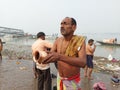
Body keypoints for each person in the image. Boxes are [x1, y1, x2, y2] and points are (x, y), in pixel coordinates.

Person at [42, 17, 86, 90]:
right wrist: (44, 56)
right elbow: (52, 56)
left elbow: (83, 62)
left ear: (73, 27)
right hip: (60, 77)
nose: (62, 26)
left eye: (65, 24)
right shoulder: (58, 40)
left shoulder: (80, 41)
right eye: (61, 24)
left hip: (72, 80)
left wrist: (59, 57)